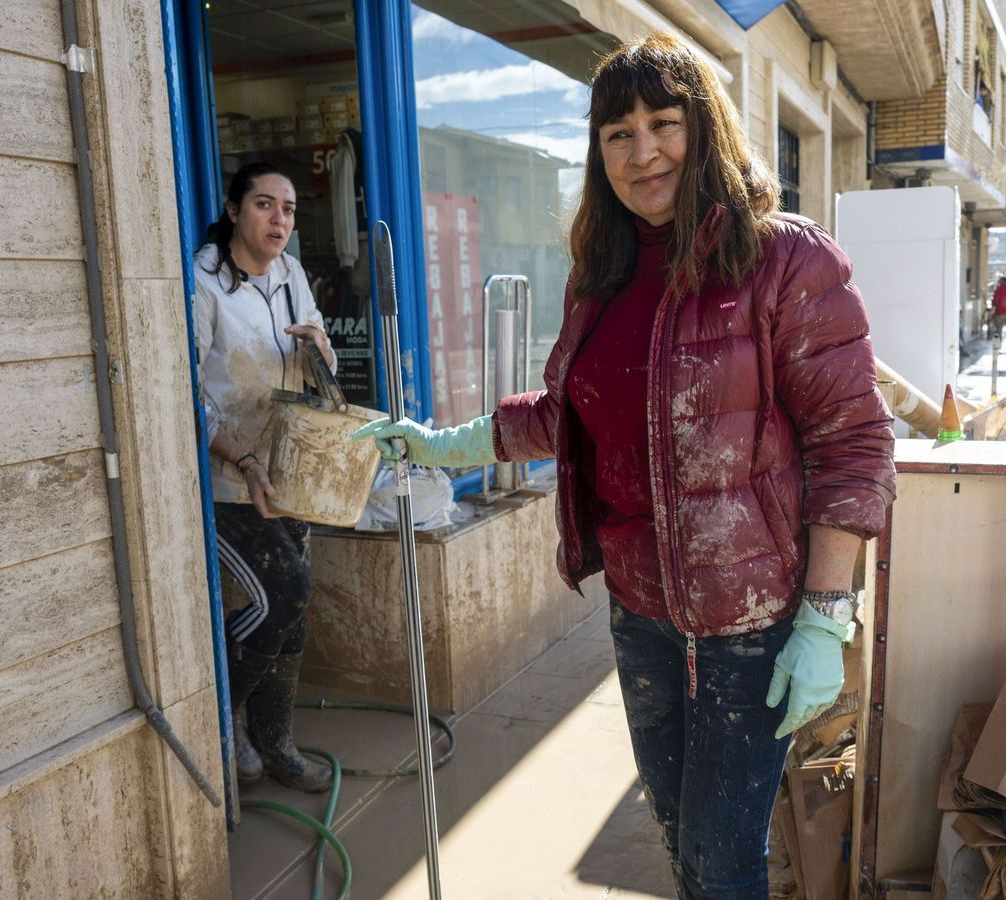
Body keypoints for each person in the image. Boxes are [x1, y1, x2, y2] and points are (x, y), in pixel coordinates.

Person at [354, 35, 896, 898]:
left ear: (705, 129)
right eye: (618, 133)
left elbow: (852, 441)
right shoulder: (599, 275)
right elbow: (570, 416)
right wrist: (444, 444)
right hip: (640, 608)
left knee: (723, 867)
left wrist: (827, 618)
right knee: (678, 838)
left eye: (664, 123)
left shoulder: (784, 258)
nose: (643, 152)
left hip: (750, 619)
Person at [194, 162, 339, 792]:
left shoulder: (290, 274)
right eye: (263, 204)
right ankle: (221, 726)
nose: (279, 219)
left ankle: (276, 744)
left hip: (288, 469)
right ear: (233, 211)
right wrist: (242, 460)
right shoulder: (203, 282)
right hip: (230, 478)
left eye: (288, 209)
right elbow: (187, 392)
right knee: (282, 593)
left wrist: (318, 350)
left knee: (292, 610)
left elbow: (323, 366)